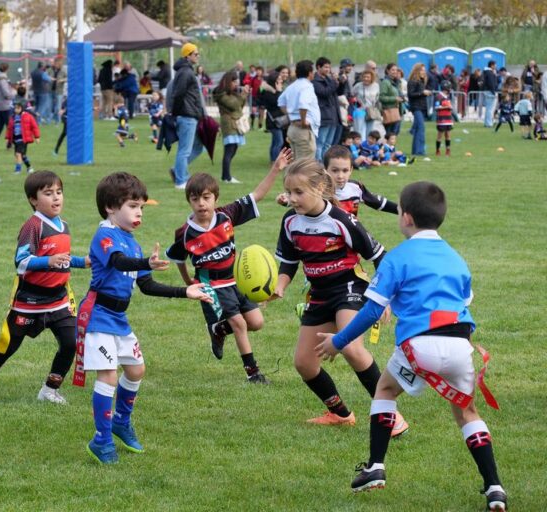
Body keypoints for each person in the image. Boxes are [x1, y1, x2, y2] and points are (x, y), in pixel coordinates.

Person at [315, 181, 507, 512]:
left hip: (419, 345)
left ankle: (376, 466)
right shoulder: (456, 258)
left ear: (405, 217)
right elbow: (464, 302)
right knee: (466, 412)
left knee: (385, 390)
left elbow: (371, 310)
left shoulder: (398, 257)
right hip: (460, 346)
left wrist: (338, 341)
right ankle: (495, 488)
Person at [78, 172, 212, 464]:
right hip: (98, 315)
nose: (139, 212)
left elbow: (147, 286)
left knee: (136, 370)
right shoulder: (105, 235)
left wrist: (185, 291)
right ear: (110, 208)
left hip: (118, 318)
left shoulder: (133, 243)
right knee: (108, 375)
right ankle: (101, 441)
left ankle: (120, 422)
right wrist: (145, 263)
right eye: (132, 206)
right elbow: (118, 262)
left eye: (141, 207)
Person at [272, 158, 407, 436]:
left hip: (350, 288)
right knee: (304, 363)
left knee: (350, 347)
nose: (292, 199)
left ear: (320, 187)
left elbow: (379, 256)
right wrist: (280, 286)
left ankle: (390, 415)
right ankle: (340, 414)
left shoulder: (341, 220)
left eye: (299, 192)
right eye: (289, 192)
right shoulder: (290, 222)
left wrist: (383, 298)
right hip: (319, 295)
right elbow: (289, 262)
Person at [0, 171, 89, 404]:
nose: (56, 197)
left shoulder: (63, 225)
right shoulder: (33, 226)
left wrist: (81, 262)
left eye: (59, 192)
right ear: (33, 200)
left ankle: (49, 390)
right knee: (7, 345)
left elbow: (62, 259)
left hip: (59, 301)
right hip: (29, 302)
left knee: (70, 343)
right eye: (48, 193)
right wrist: (47, 261)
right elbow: (21, 262)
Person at [167, 148, 294, 382]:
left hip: (236, 280)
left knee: (256, 322)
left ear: (215, 198)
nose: (201, 204)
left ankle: (218, 329)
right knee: (239, 323)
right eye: (195, 199)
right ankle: (253, 373)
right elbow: (177, 257)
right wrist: (188, 281)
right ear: (189, 201)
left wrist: (276, 169)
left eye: (206, 197)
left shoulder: (226, 215)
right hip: (211, 286)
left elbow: (257, 195)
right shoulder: (184, 233)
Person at [277, 145, 398, 217]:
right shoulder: (319, 189)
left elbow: (377, 202)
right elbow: (303, 199)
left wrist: (401, 210)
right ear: (325, 170)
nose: (340, 176)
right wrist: (287, 200)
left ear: (351, 170)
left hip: (350, 237)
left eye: (345, 171)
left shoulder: (356, 188)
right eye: (335, 170)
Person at [169, 43, 206, 189]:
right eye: (195, 54)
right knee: (184, 150)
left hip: (191, 115)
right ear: (187, 55)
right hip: (187, 116)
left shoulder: (187, 71)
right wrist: (177, 113)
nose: (198, 56)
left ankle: (177, 170)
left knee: (198, 147)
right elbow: (178, 94)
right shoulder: (185, 72)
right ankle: (181, 180)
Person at [278, 60, 320, 161]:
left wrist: (291, 116)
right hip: (303, 130)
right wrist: (303, 120)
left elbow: (281, 102)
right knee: (305, 163)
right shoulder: (307, 86)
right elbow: (303, 104)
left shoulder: (292, 86)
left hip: (293, 128)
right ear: (309, 73)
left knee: (295, 162)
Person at [213, 70, 249, 184]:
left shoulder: (231, 93)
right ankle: (227, 177)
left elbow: (239, 106)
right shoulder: (221, 94)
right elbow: (234, 105)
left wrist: (243, 95)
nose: (236, 84)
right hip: (229, 124)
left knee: (233, 149)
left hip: (235, 123)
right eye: (234, 82)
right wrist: (243, 95)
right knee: (229, 150)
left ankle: (225, 176)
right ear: (228, 81)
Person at [312, 57, 345, 161]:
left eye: (329, 67)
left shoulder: (329, 80)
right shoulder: (315, 81)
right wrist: (334, 82)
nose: (328, 70)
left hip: (334, 115)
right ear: (318, 67)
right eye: (326, 67)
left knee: (328, 144)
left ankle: (325, 163)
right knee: (320, 142)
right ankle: (318, 164)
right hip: (324, 115)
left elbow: (339, 92)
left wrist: (341, 83)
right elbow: (324, 92)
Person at [260, 67, 291, 162]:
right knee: (279, 142)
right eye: (279, 79)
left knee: (275, 142)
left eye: (281, 79)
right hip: (274, 121)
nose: (281, 81)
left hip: (278, 120)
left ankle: (273, 160)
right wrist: (278, 91)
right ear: (274, 81)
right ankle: (275, 161)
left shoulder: (274, 91)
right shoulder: (269, 92)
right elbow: (277, 102)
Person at [6, 101, 40, 174]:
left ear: (22, 109)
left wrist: (37, 137)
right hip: (16, 139)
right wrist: (8, 138)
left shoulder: (28, 116)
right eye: (15, 108)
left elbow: (34, 127)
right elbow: (9, 128)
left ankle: (17, 170)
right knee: (22, 155)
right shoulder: (13, 118)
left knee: (18, 154)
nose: (16, 110)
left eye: (18, 108)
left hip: (23, 139)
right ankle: (29, 167)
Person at [407, 63, 431, 157]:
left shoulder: (421, 81)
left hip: (422, 107)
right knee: (421, 128)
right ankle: (420, 151)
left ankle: (415, 150)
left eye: (424, 70)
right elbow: (411, 94)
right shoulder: (412, 81)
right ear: (417, 71)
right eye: (422, 70)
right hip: (416, 107)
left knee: (417, 129)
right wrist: (422, 93)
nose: (424, 72)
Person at [0, 63, 16, 149]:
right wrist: (14, 93)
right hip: (6, 106)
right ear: (6, 70)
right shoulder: (3, 80)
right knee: (10, 127)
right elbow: (6, 94)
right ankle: (11, 143)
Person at [351, 69, 380, 141]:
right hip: (360, 110)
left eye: (368, 77)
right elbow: (351, 95)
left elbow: (377, 97)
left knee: (370, 131)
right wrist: (356, 103)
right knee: (359, 130)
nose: (366, 79)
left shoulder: (376, 86)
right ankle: (359, 144)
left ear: (372, 78)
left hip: (371, 110)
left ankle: (367, 145)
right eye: (364, 77)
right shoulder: (358, 85)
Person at [380, 63, 405, 136]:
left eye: (396, 70)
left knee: (395, 135)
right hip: (389, 112)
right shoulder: (385, 82)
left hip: (397, 111)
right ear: (387, 71)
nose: (395, 72)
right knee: (389, 135)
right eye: (392, 70)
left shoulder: (396, 82)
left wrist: (402, 98)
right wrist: (394, 99)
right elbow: (381, 97)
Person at [482, 61, 498, 128]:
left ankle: (486, 122)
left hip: (487, 91)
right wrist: (493, 92)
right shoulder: (490, 73)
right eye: (495, 65)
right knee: (490, 109)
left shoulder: (486, 72)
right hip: (490, 91)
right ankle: (489, 123)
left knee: (488, 108)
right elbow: (491, 83)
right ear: (492, 65)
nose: (496, 66)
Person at [51, 58, 67, 125]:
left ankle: (57, 121)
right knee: (52, 106)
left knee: (58, 107)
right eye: (55, 63)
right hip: (51, 90)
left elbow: (67, 78)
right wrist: (50, 78)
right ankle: (54, 119)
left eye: (56, 64)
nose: (55, 65)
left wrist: (62, 80)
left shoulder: (63, 71)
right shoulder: (52, 70)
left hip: (59, 91)